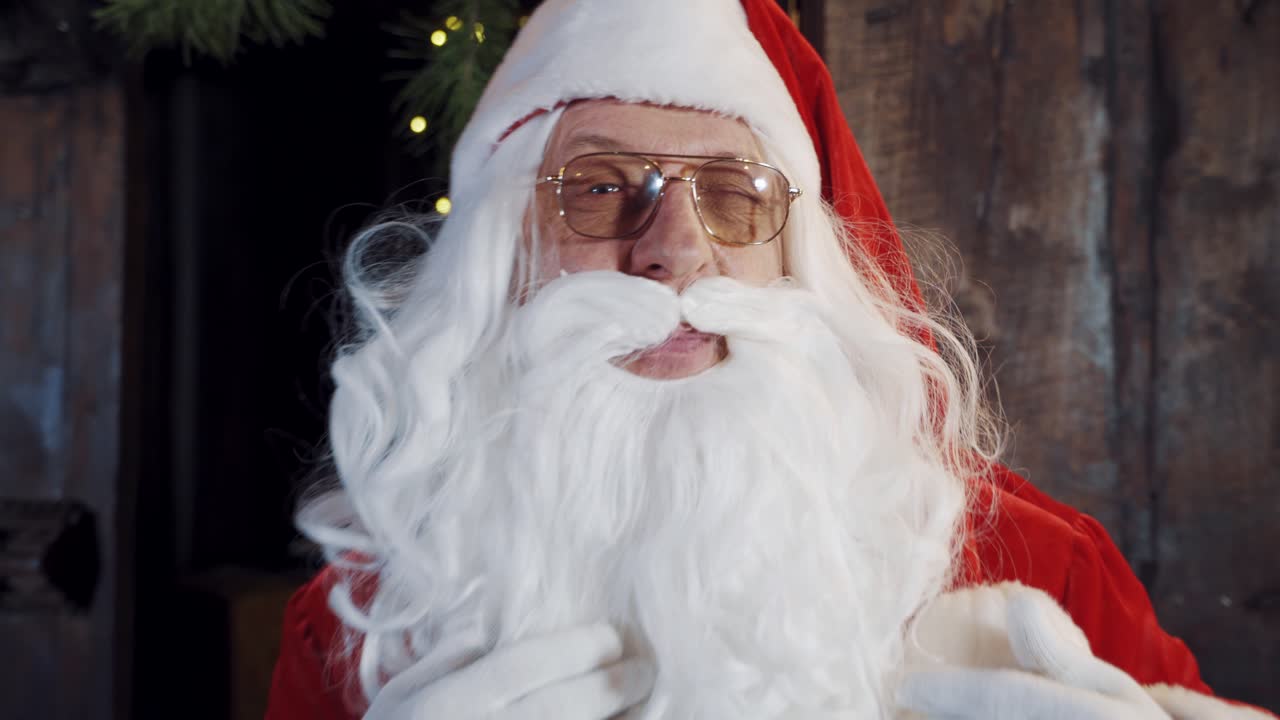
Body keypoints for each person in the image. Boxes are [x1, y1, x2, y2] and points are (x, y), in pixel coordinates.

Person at [266, 1, 1275, 718]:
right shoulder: (364, 622)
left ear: (801, 262)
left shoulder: (1040, 568)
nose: (672, 251)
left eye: (736, 196)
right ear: (499, 261)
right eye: (602, 188)